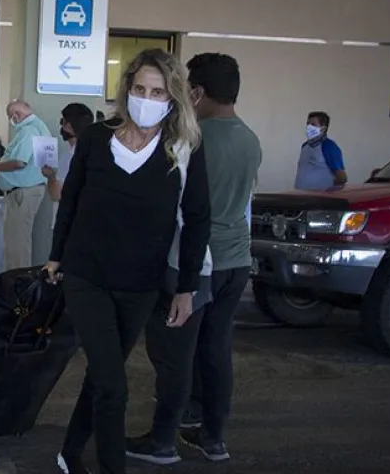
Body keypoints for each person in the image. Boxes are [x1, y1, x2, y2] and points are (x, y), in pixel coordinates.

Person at [46, 48, 211, 474]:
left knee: (103, 377)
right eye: (139, 88)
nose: (146, 97)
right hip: (86, 277)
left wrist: (187, 288)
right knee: (114, 387)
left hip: (140, 285)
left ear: (172, 98)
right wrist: (54, 256)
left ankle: (68, 452)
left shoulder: (183, 148)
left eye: (157, 91)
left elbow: (197, 219)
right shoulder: (97, 139)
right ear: (127, 89)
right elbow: (71, 201)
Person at [125, 53, 262, 466]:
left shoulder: (195, 140)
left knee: (175, 354)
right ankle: (213, 437)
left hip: (196, 265)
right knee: (216, 351)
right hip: (236, 261)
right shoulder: (249, 138)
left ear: (196, 92)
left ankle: (164, 440)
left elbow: (183, 211)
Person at [0, 100, 51, 270]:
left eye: (10, 117)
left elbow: (19, 162)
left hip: (22, 192)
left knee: (17, 245)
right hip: (30, 190)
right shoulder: (39, 127)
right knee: (19, 241)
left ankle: (17, 285)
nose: (11, 121)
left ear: (16, 115)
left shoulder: (29, 131)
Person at [44, 103, 93, 202]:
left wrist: (50, 177)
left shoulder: (69, 158)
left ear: (68, 126)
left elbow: (57, 194)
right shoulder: (97, 151)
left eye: (62, 121)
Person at [294, 111, 346, 191]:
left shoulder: (329, 147)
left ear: (323, 128)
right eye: (308, 124)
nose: (309, 127)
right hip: (300, 196)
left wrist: (327, 191)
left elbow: (342, 178)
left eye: (313, 124)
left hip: (320, 198)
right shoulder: (305, 146)